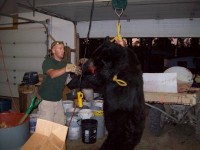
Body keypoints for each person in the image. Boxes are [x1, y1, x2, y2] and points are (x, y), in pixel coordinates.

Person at [37, 41, 82, 125]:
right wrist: (66, 69)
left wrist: (81, 65)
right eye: (60, 48)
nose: (63, 51)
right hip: (46, 100)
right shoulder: (48, 61)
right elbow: (53, 74)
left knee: (60, 126)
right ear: (53, 51)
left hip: (58, 100)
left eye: (63, 49)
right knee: (45, 128)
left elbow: (77, 70)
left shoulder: (65, 63)